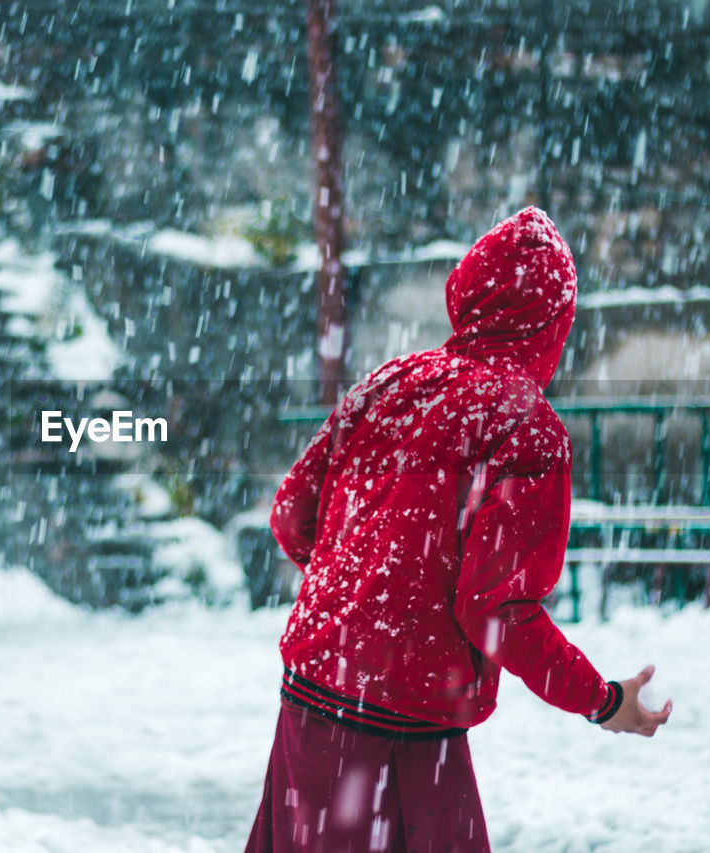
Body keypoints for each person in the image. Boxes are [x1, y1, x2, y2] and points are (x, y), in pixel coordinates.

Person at [246, 207, 672, 853]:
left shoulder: (388, 382)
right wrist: (604, 700)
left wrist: (361, 587)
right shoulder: (525, 425)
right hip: (405, 727)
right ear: (554, 324)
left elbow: (291, 515)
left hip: (310, 692)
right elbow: (495, 609)